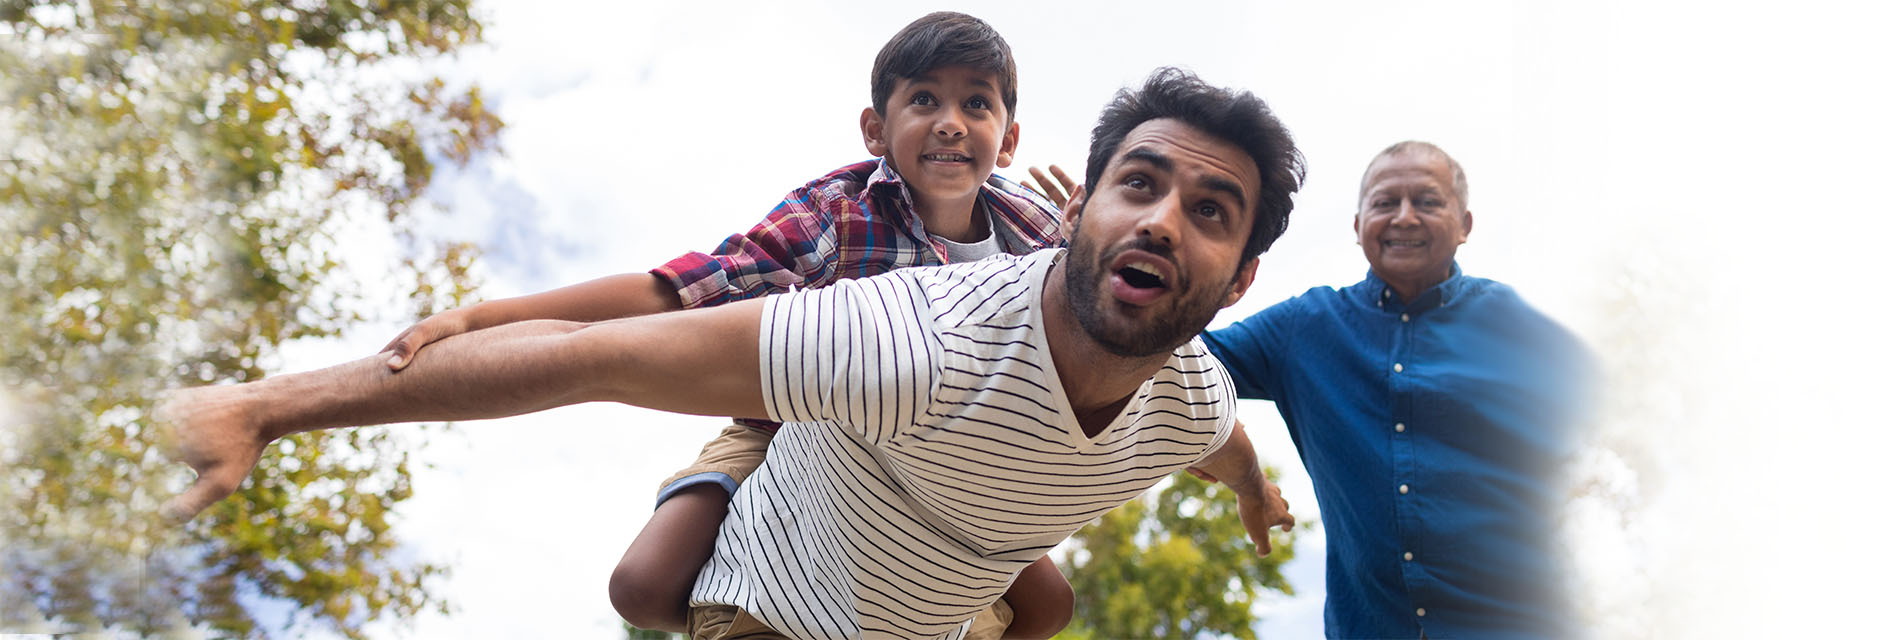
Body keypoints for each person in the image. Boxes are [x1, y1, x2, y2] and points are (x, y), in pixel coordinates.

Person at [158, 67, 1305, 640]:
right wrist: (270, 404)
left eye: (1210, 212)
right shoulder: (902, 332)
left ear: (1239, 278)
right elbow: (606, 347)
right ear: (1082, 209)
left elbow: (1217, 437)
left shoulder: (1190, 390)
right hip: (775, 607)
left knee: (1045, 603)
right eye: (1139, 184)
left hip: (935, 575)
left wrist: (1257, 491)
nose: (1161, 221)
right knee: (643, 583)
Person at [374, 12, 1073, 637]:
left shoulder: (1038, 233)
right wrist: (480, 317)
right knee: (643, 587)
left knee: (1049, 607)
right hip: (791, 431)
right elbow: (682, 293)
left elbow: (1134, 327)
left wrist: (1093, 234)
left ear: (1007, 140)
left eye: (975, 104)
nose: (951, 120)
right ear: (876, 130)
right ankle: (760, 586)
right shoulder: (839, 211)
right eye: (925, 99)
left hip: (945, 464)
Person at [1199, 141, 1594, 639]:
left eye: (1427, 202)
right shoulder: (1307, 327)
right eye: (1385, 203)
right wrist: (1240, 469)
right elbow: (1172, 361)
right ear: (1359, 225)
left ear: (1465, 225)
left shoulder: (1518, 328)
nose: (1405, 218)